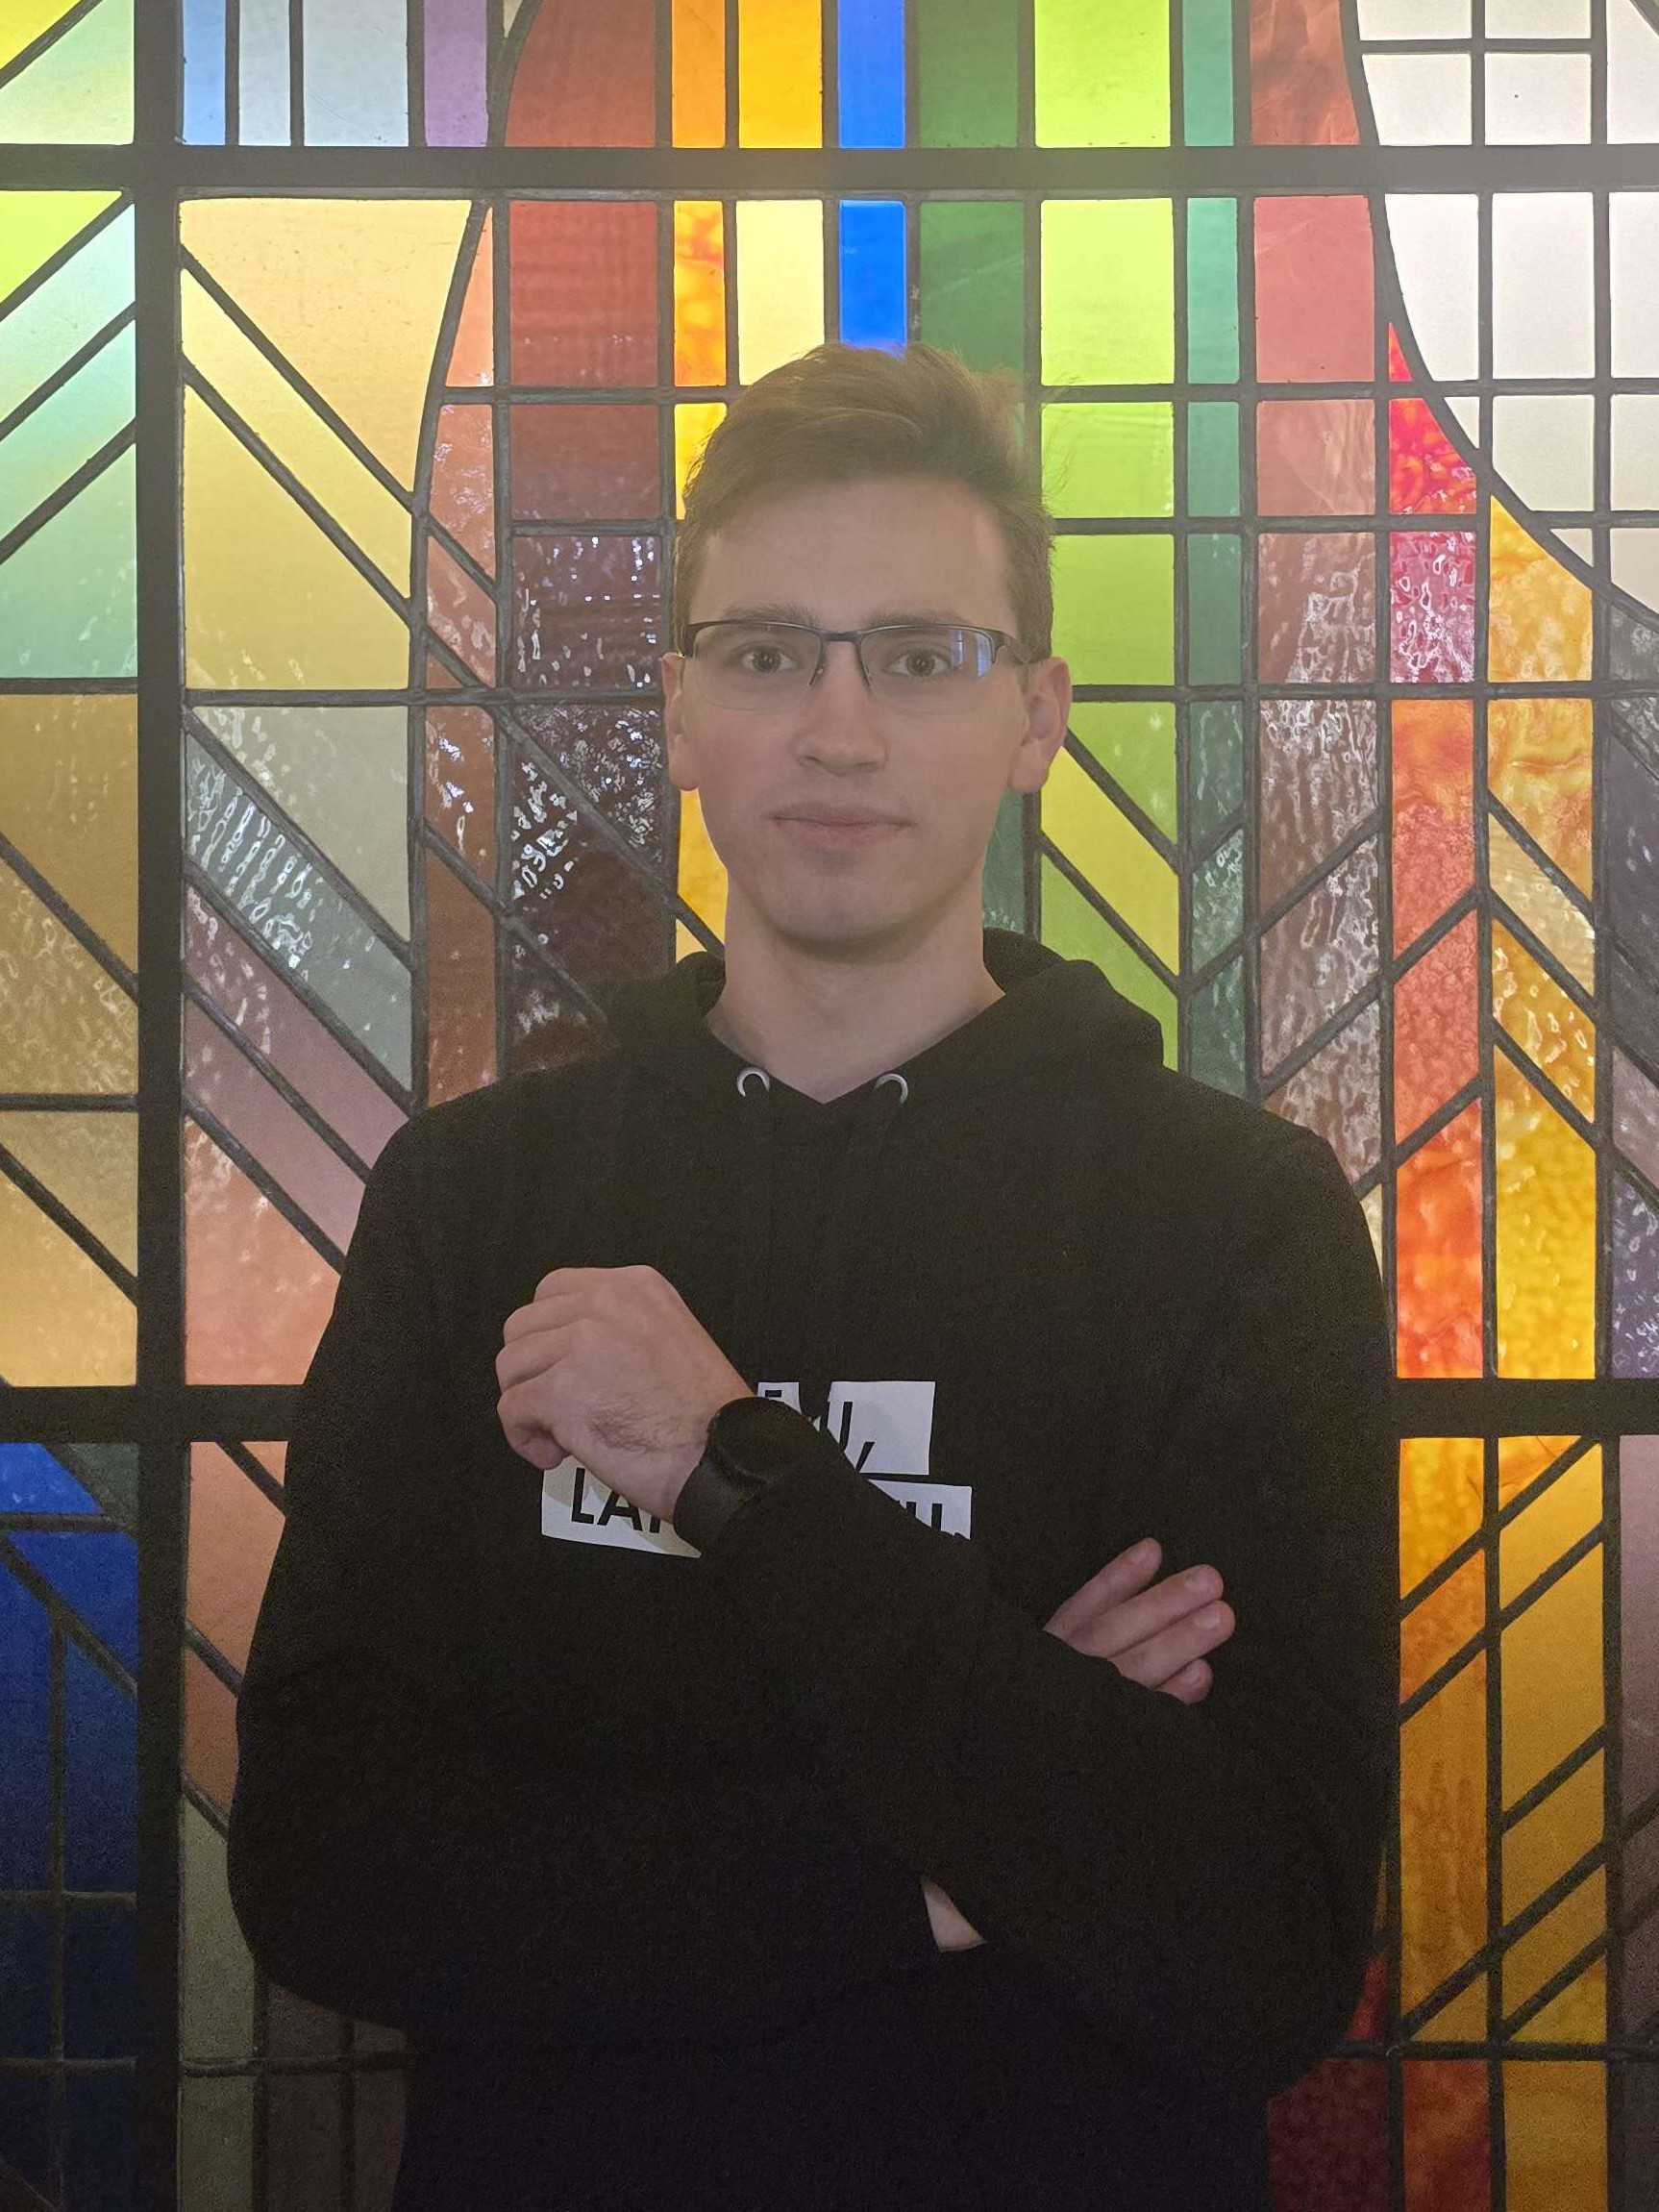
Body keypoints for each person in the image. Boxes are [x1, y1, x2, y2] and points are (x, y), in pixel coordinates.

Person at [228, 340, 1398, 2212]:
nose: (837, 730)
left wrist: (728, 1469)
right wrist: (961, 1855)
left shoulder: (1232, 1223)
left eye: (918, 656)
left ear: (1034, 713)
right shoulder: (475, 1200)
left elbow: (1252, 1939)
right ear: (680, 706)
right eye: (768, 653)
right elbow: (330, 1871)